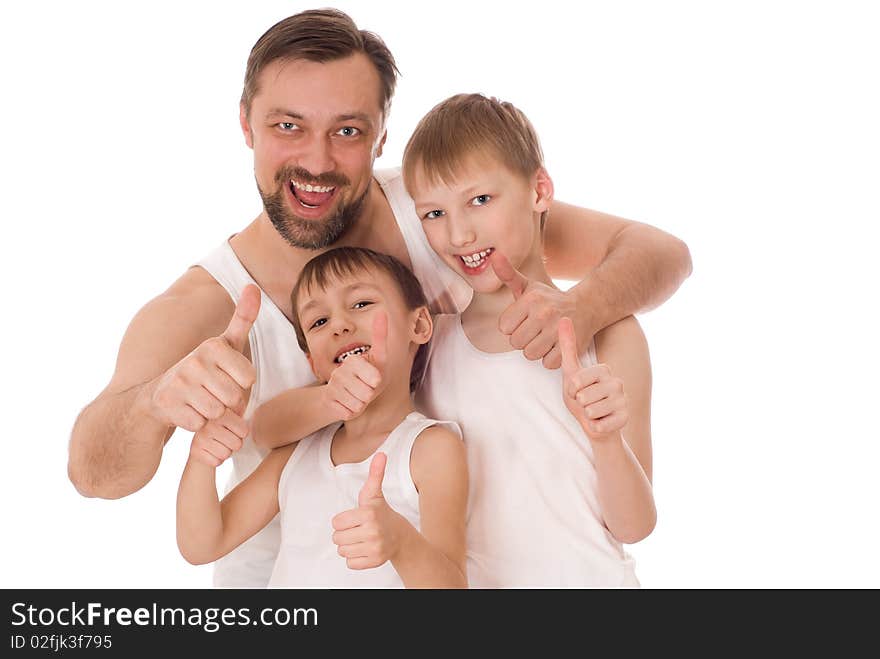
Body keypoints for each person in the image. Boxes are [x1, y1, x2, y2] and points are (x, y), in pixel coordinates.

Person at [67, 9, 691, 587]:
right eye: (288, 126)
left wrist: (582, 313)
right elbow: (92, 472)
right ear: (245, 124)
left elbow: (659, 253)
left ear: (381, 136)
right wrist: (157, 402)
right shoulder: (207, 301)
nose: (316, 160)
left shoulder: (437, 212)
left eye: (347, 130)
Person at [402, 93, 656, 587]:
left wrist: (604, 438)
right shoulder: (432, 345)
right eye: (433, 213)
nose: (458, 234)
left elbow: (634, 525)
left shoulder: (611, 335)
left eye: (480, 200)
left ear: (540, 191)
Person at [177, 247, 467, 588]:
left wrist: (401, 543)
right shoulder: (298, 452)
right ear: (313, 363)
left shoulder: (431, 449)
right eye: (319, 321)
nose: (340, 326)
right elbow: (203, 544)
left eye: (361, 304)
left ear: (417, 324)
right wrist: (201, 461)